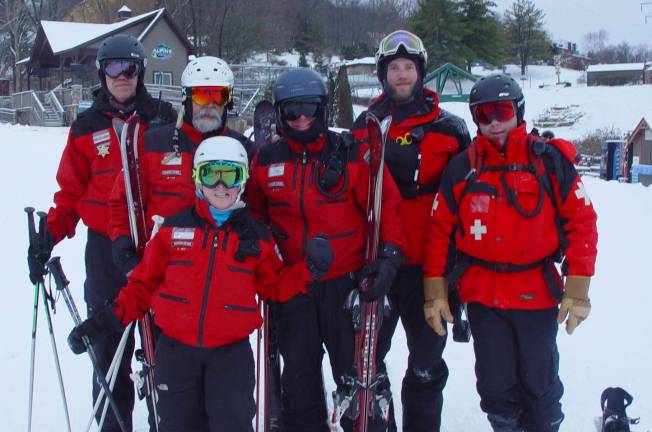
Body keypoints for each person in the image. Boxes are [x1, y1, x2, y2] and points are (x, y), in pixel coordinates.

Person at [68, 136, 333, 432]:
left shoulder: (255, 237)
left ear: (242, 180)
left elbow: (274, 286)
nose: (221, 187)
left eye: (230, 175)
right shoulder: (173, 229)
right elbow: (141, 287)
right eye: (211, 174)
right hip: (176, 353)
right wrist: (101, 324)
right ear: (197, 179)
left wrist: (309, 270)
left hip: (229, 356)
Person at [423, 74, 598, 432]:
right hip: (483, 296)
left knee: (539, 380)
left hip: (535, 293)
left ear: (518, 111)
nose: (493, 122)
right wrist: (435, 291)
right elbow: (439, 230)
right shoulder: (463, 167)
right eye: (482, 115)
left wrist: (577, 288)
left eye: (501, 111)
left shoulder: (549, 162)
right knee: (494, 382)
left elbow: (582, 221)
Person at [26, 34, 175, 431]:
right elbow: (71, 193)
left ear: (140, 71)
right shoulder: (86, 127)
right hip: (106, 250)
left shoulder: (164, 118)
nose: (122, 76)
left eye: (129, 68)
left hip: (161, 247)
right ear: (102, 73)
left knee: (169, 351)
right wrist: (48, 235)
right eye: (114, 68)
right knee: (109, 351)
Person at [247, 68, 406, 432]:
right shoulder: (267, 159)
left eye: (309, 108)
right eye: (291, 110)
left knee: (360, 380)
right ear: (280, 114)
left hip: (345, 287)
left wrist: (389, 260)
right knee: (299, 385)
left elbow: (388, 209)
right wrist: (262, 256)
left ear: (323, 109)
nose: (301, 118)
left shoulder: (351, 153)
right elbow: (254, 215)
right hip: (293, 285)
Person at [352, 29, 471, 431]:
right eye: (394, 68)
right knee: (367, 359)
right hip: (381, 265)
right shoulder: (367, 125)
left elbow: (465, 201)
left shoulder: (449, 128)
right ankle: (378, 420)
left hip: (429, 270)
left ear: (419, 72)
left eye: (408, 67)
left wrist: (459, 270)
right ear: (383, 73)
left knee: (425, 364)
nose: (401, 75)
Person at [109, 55, 252, 275]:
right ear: (186, 98)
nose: (210, 106)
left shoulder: (244, 151)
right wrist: (123, 244)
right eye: (202, 97)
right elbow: (122, 201)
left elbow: (259, 210)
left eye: (218, 96)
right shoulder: (153, 144)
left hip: (222, 273)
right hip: (164, 269)